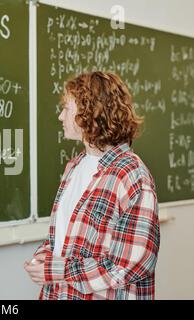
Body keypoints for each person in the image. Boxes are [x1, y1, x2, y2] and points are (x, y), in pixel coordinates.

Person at [24, 71, 160, 300]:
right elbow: (62, 239)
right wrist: (44, 257)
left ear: (91, 111)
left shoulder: (131, 175)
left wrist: (58, 270)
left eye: (66, 108)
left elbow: (130, 265)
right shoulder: (75, 166)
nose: (60, 117)